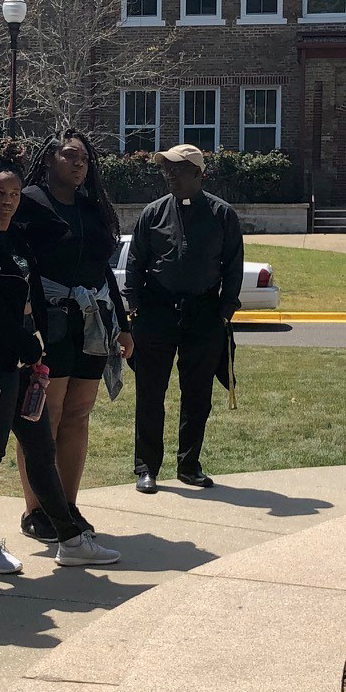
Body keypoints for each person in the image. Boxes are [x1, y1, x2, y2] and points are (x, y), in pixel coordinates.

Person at [0, 140, 119, 572]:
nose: (9, 201)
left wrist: (39, 345)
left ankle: (69, 538)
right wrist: (24, 344)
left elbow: (37, 287)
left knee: (41, 448)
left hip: (27, 364)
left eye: (14, 194)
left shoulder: (19, 241)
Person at [11, 130, 133, 542]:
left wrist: (123, 325)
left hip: (92, 323)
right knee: (44, 418)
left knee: (78, 414)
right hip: (50, 323)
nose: (80, 163)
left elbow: (103, 271)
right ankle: (36, 509)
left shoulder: (92, 206)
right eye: (70, 155)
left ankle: (67, 505)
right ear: (49, 159)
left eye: (85, 158)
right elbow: (15, 262)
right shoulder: (30, 201)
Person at [124, 143, 244, 494]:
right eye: (167, 169)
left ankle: (189, 466)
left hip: (203, 314)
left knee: (197, 395)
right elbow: (136, 261)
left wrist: (225, 309)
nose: (170, 175)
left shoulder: (222, 214)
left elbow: (233, 264)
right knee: (150, 393)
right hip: (156, 312)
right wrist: (134, 307)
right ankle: (147, 468)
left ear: (198, 174)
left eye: (177, 169)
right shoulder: (153, 213)